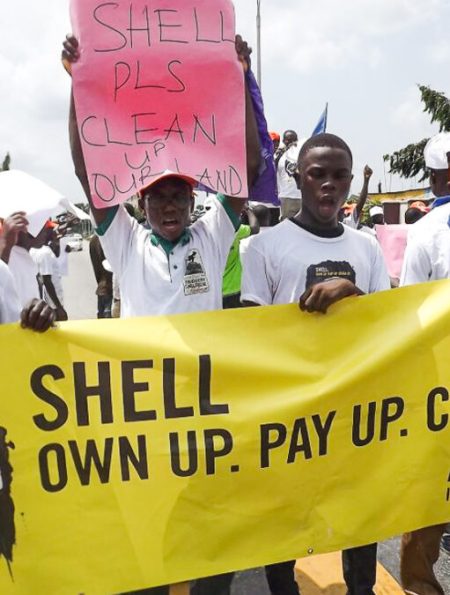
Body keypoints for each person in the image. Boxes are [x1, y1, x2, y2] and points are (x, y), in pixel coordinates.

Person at [63, 31, 261, 595]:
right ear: (140, 203)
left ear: (194, 200)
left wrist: (241, 77)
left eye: (179, 195)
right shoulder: (125, 241)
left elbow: (245, 163)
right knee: (146, 532)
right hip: (143, 409)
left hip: (205, 403)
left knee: (208, 525)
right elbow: (88, 172)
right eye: (158, 197)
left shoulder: (214, 232)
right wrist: (79, 87)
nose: (170, 206)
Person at [241, 133, 390, 595]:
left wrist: (352, 291)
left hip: (351, 411)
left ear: (350, 182)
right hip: (289, 414)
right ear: (298, 178)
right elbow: (250, 338)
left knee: (360, 519)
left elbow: (387, 327)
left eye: (339, 175)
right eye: (317, 174)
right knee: (283, 521)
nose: (329, 185)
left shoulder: (367, 249)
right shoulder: (263, 248)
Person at [399, 131, 450, 595]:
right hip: (440, 385)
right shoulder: (428, 233)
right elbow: (412, 313)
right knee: (429, 495)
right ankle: (419, 586)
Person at [222, 205, 260, 309]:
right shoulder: (235, 230)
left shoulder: (204, 236)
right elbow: (255, 228)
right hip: (235, 289)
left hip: (215, 292)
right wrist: (248, 210)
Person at [275, 130, 305, 220]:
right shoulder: (280, 155)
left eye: (293, 140)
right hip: (286, 196)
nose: (289, 142)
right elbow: (273, 170)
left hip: (301, 196)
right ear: (283, 141)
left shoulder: (302, 153)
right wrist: (278, 155)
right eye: (287, 140)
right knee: (287, 225)